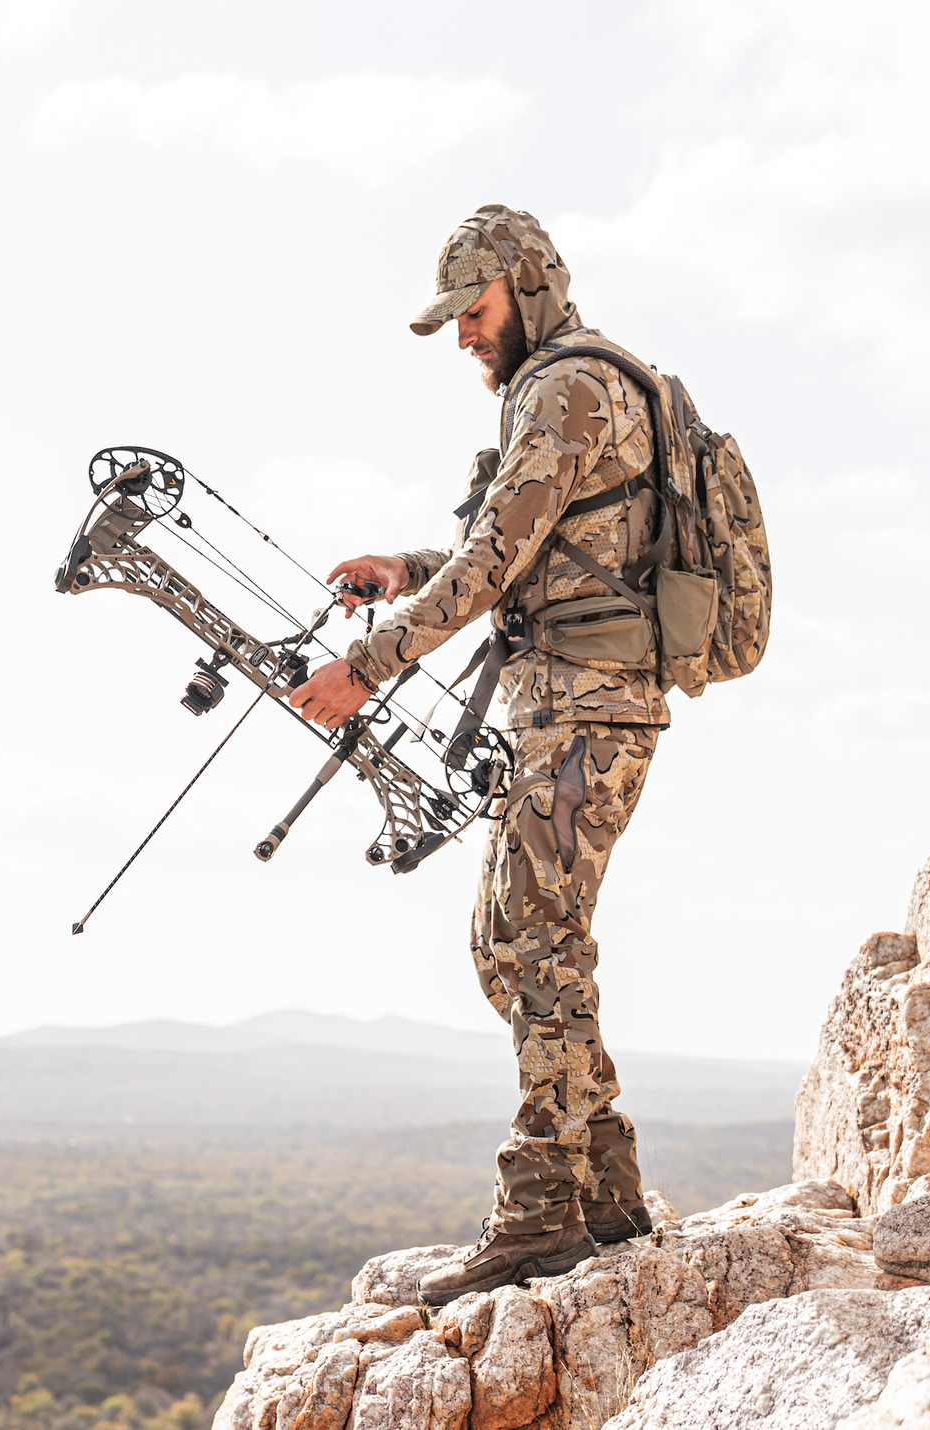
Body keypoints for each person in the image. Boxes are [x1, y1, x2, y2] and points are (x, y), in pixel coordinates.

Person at [286, 205, 674, 1306]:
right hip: (567, 702)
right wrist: (406, 566)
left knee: (535, 941)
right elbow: (519, 535)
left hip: (586, 704)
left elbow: (500, 557)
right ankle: (605, 1190)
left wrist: (367, 663)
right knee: (507, 942)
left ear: (528, 286)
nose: (462, 332)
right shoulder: (557, 385)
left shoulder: (567, 384)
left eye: (474, 308)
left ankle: (541, 1211)